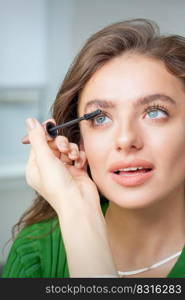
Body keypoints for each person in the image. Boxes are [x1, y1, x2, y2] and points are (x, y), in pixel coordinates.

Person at [2, 18, 185, 278]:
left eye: (154, 112)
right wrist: (74, 204)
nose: (125, 139)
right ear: (79, 139)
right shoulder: (36, 254)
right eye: (100, 118)